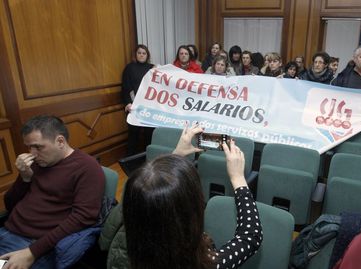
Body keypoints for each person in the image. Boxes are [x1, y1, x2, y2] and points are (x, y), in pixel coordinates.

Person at [123, 123, 263, 269]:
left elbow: (153, 198)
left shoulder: (132, 250)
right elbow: (250, 237)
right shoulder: (207, 264)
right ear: (190, 213)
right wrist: (238, 178)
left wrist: (175, 157)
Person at [0, 115, 105, 268]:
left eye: (38, 147)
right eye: (29, 147)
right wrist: (24, 178)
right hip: (7, 231)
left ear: (60, 141)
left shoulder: (87, 168)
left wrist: (31, 252)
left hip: (35, 245)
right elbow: (10, 204)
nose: (32, 153)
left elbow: (84, 217)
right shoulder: (37, 163)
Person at [122, 44, 155, 156]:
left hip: (150, 107)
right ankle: (130, 160)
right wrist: (128, 103)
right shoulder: (129, 68)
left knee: (149, 134)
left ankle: (148, 158)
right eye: (139, 53)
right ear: (135, 55)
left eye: (144, 53)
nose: (141, 55)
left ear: (147, 55)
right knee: (133, 134)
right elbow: (126, 87)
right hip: (135, 106)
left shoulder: (152, 68)